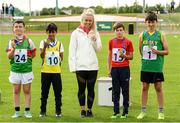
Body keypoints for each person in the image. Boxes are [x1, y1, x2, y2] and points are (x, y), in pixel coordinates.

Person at [68, 8, 102, 118]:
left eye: (90, 21)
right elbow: (72, 51)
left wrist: (94, 39)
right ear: (82, 20)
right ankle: (82, 110)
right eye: (86, 20)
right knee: (81, 89)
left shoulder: (95, 33)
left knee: (91, 89)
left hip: (93, 67)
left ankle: (90, 110)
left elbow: (98, 49)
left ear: (93, 21)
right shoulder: (76, 33)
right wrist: (73, 67)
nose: (88, 22)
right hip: (80, 67)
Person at [137, 12, 169, 120]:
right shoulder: (142, 35)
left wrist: (157, 51)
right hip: (145, 66)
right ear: (146, 23)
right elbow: (140, 49)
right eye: (149, 22)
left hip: (157, 67)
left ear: (156, 22)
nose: (151, 24)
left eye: (153, 22)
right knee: (144, 87)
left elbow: (166, 51)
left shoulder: (160, 34)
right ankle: (143, 111)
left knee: (158, 88)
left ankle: (161, 112)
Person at [6, 20, 36, 118]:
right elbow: (9, 57)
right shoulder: (11, 42)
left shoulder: (29, 41)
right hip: (15, 70)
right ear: (13, 29)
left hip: (26, 70)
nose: (18, 28)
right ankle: (17, 112)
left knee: (27, 91)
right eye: (16, 26)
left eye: (20, 26)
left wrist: (28, 57)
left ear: (24, 28)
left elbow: (34, 54)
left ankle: (27, 111)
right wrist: (14, 49)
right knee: (16, 91)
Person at [108, 22, 134, 119]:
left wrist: (124, 56)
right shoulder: (111, 41)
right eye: (117, 30)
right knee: (115, 90)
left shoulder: (128, 42)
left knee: (125, 91)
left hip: (124, 69)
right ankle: (116, 112)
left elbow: (131, 57)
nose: (119, 32)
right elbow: (109, 55)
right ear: (114, 31)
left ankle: (125, 111)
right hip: (114, 69)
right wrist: (109, 68)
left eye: (121, 30)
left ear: (124, 31)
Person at [39, 23, 63, 117]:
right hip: (45, 72)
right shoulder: (43, 42)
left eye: (53, 32)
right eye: (49, 32)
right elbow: (41, 56)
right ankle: (43, 111)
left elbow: (62, 57)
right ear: (46, 32)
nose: (51, 34)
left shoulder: (59, 43)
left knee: (58, 93)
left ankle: (58, 111)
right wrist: (45, 46)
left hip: (56, 72)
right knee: (44, 93)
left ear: (56, 32)